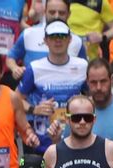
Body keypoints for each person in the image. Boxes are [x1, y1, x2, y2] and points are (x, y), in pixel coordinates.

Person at [14, 21, 89, 154]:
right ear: (45, 40)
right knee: (34, 167)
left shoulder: (82, 66)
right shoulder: (35, 68)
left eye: (62, 36)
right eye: (53, 36)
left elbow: (93, 97)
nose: (58, 40)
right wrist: (34, 109)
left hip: (76, 143)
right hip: (42, 145)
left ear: (70, 39)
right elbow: (15, 99)